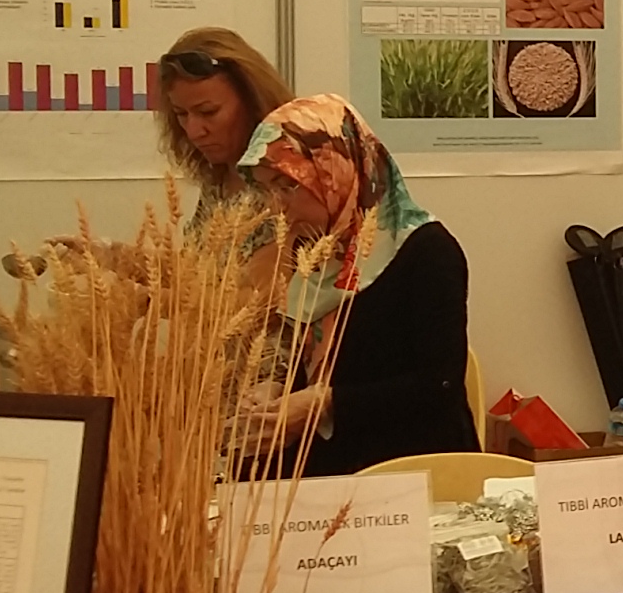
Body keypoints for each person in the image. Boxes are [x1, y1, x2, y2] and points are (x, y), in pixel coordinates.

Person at [237, 95, 478, 475]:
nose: (276, 207)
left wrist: (324, 403)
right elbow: (317, 359)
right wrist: (277, 390)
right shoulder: (315, 250)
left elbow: (437, 386)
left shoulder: (426, 250)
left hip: (412, 469)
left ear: (334, 172)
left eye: (287, 186)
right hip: (331, 468)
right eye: (269, 191)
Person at [157, 26, 293, 209]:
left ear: (253, 100)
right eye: (181, 114)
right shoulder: (217, 178)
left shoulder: (295, 178)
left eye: (208, 112)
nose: (193, 132)